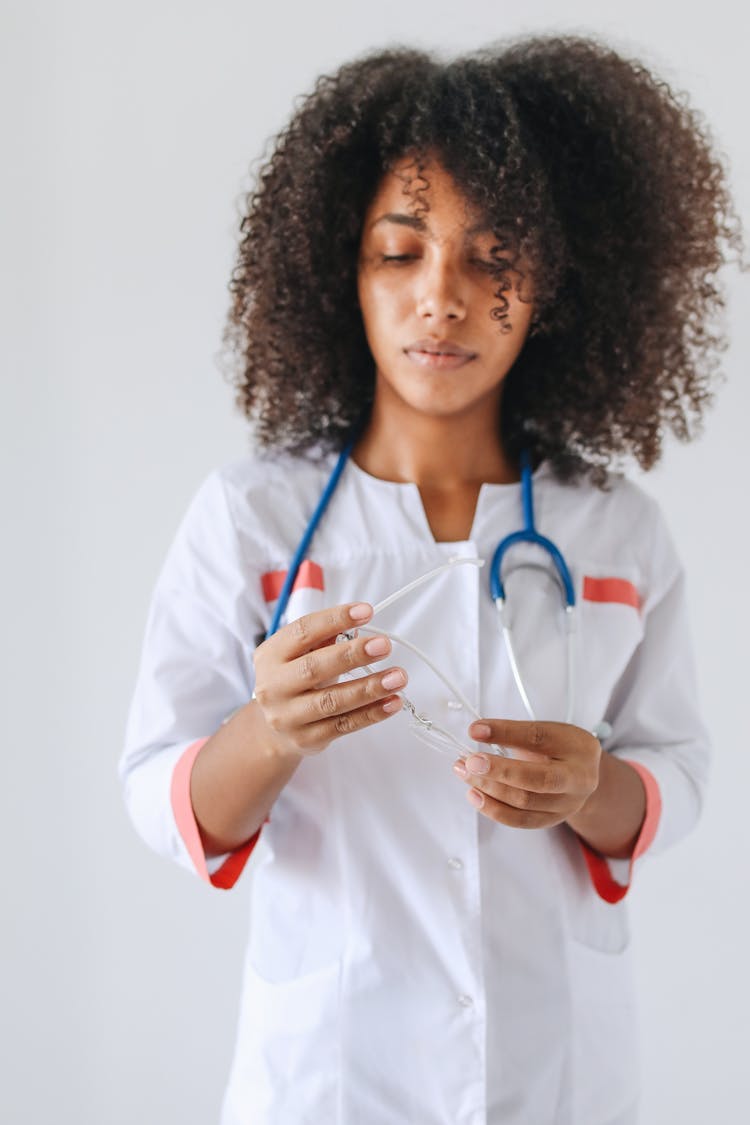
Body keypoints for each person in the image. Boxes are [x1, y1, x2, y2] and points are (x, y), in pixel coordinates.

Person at [120, 34, 743, 1125]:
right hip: (330, 1073)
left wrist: (591, 788)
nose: (443, 298)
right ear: (340, 271)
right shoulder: (248, 517)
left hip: (559, 1075)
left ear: (553, 282)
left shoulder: (617, 532)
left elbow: (678, 770)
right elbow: (156, 792)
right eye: (399, 252)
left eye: (494, 256)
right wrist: (270, 733)